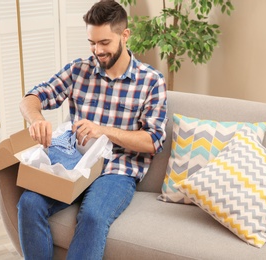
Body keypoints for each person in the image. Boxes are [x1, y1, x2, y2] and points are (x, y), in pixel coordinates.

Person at [17, 0, 167, 259]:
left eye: (104, 43)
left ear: (125, 35)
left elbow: (153, 141)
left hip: (117, 170)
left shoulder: (151, 81)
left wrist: (103, 131)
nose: (97, 50)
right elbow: (32, 97)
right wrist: (35, 119)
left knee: (93, 216)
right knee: (29, 203)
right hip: (75, 164)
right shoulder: (79, 70)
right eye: (92, 42)